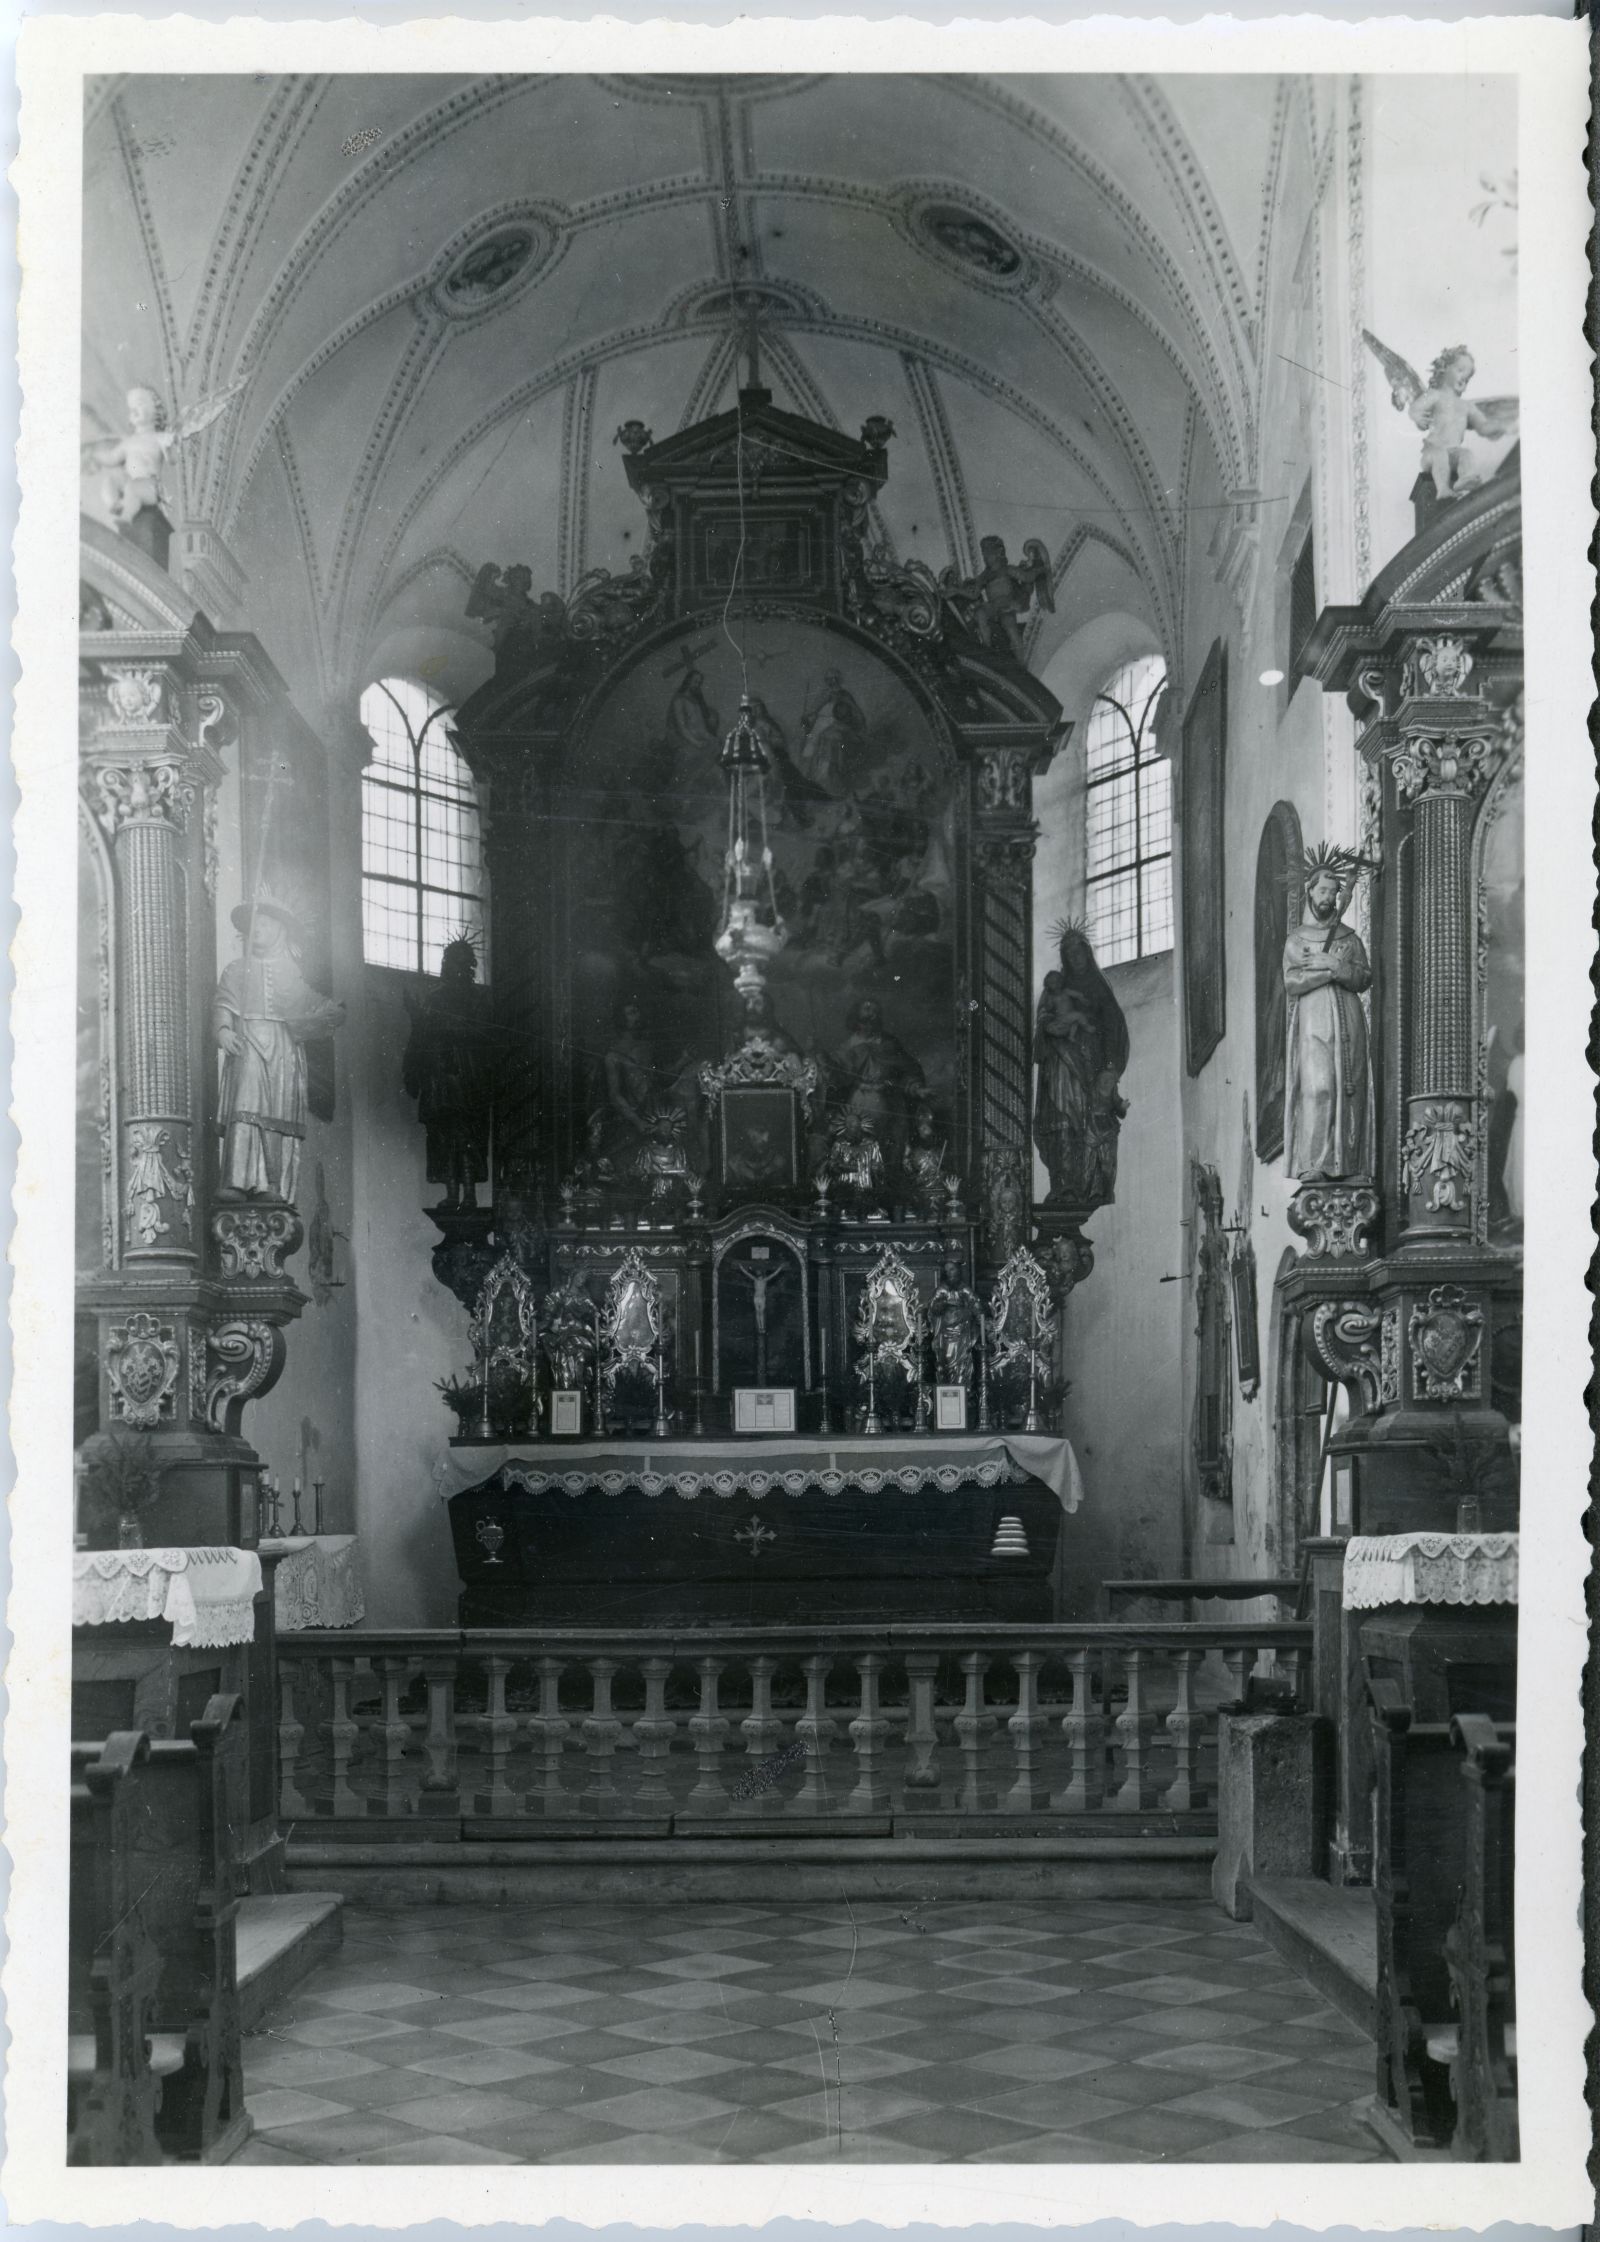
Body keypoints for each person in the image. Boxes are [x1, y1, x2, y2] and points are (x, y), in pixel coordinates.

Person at [213, 900, 344, 1204]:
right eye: (254, 923)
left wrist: (331, 1013)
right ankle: (236, 1180)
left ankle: (270, 1184)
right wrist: (223, 1032)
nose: (258, 928)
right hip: (247, 1044)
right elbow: (222, 1005)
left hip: (283, 1050)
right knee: (246, 1108)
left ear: (281, 930)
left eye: (266, 923)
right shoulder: (236, 969)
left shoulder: (291, 972)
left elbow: (311, 1004)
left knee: (276, 1112)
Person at [1284, 854, 1373, 1181]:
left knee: (1347, 1089)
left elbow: (1364, 977)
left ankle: (1349, 1165)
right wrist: (1324, 972)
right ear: (1310, 892)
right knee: (1319, 1087)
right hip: (1314, 1021)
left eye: (1334, 892)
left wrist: (1336, 966)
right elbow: (1291, 982)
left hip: (1348, 1019)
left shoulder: (1348, 938)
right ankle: (1316, 1164)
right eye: (1323, 891)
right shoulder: (1296, 940)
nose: (1329, 898)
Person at [1032, 926, 1130, 1208]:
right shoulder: (1054, 989)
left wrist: (1110, 1067)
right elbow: (1041, 1026)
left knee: (1084, 1126)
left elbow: (1114, 1026)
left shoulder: (1098, 987)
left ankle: (1083, 1185)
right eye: (1069, 952)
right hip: (1060, 1066)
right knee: (1061, 1121)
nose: (1075, 957)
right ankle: (1062, 1184)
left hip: (1088, 1069)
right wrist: (1050, 1028)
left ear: (1087, 952)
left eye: (1079, 950)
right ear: (1064, 957)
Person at [401, 935, 493, 1212]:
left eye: (460, 962)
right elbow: (421, 1036)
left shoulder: (478, 998)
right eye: (450, 961)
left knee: (466, 1136)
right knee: (442, 1136)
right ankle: (452, 1194)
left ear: (469, 965)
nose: (454, 967)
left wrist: (444, 1029)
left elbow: (484, 1033)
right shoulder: (434, 997)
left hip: (468, 1075)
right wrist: (417, 1017)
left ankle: (469, 1195)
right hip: (439, 1077)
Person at [829, 995, 925, 1172]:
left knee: (889, 1148)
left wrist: (915, 1087)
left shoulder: (889, 1044)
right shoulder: (847, 1045)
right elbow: (836, 1076)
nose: (871, 1014)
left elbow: (908, 1069)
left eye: (875, 1011)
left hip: (887, 1104)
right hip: (857, 1102)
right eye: (867, 1009)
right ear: (856, 1014)